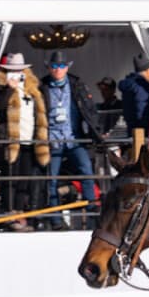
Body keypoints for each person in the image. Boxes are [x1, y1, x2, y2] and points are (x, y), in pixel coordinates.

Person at [41, 50, 105, 226]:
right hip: (52, 139)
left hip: (74, 137)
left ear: (67, 68)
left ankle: (91, 209)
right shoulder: (42, 87)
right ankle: (55, 218)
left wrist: (97, 132)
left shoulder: (77, 85)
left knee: (86, 170)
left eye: (62, 66)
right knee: (51, 179)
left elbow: (90, 110)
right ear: (49, 68)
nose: (58, 70)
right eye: (54, 66)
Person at [0, 55, 50, 229]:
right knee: (10, 179)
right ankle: (9, 213)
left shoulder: (33, 88)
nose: (16, 73)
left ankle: (19, 213)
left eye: (19, 70)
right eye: (12, 70)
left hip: (30, 140)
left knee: (24, 180)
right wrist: (9, 89)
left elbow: (44, 108)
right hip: (10, 141)